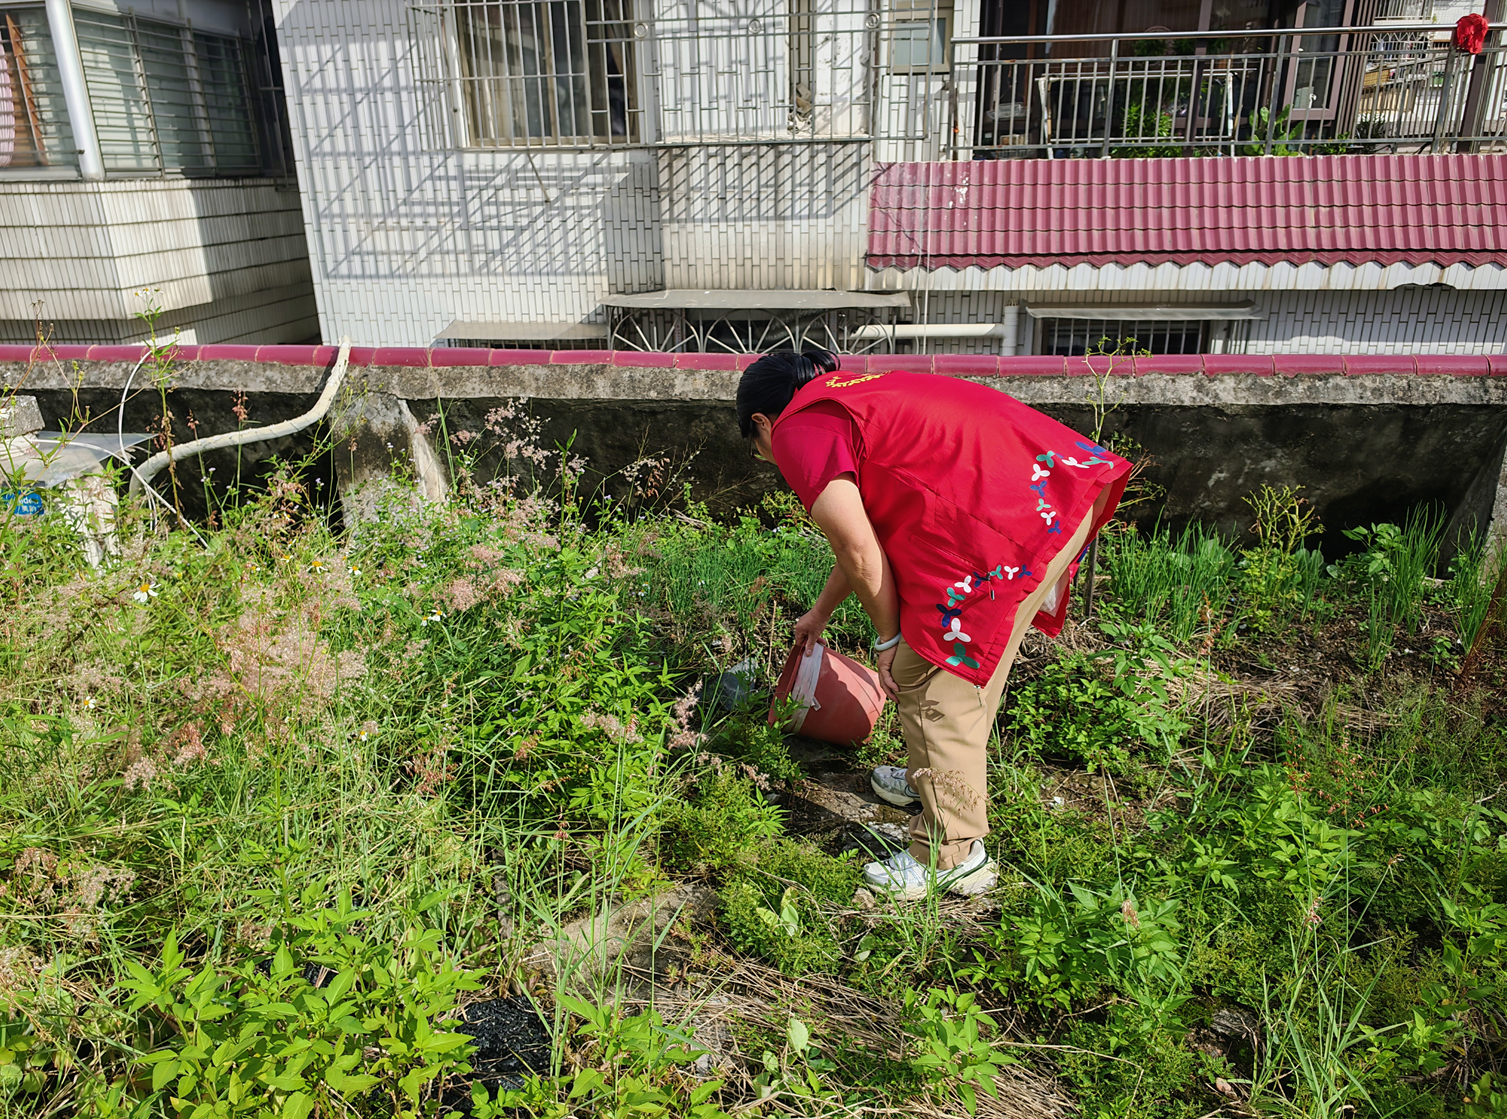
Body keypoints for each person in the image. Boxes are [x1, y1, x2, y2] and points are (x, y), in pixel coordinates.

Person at [738, 348, 1130, 899]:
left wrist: (890, 637)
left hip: (1005, 527)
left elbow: (857, 544)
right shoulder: (855, 397)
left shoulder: (799, 426)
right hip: (1053, 500)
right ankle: (938, 785)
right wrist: (822, 613)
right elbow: (863, 538)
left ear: (760, 421)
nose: (768, 457)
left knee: (925, 675)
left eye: (758, 448)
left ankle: (952, 853)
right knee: (964, 677)